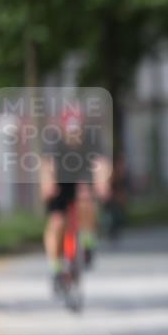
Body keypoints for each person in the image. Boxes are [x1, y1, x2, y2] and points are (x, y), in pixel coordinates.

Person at [41, 108, 111, 289]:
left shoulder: (91, 139)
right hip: (61, 181)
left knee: (86, 199)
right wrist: (48, 186)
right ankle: (55, 267)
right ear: (63, 129)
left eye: (77, 130)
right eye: (70, 130)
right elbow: (47, 166)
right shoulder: (54, 141)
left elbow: (100, 163)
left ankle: (87, 241)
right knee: (56, 223)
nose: (74, 135)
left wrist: (102, 184)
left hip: (82, 177)